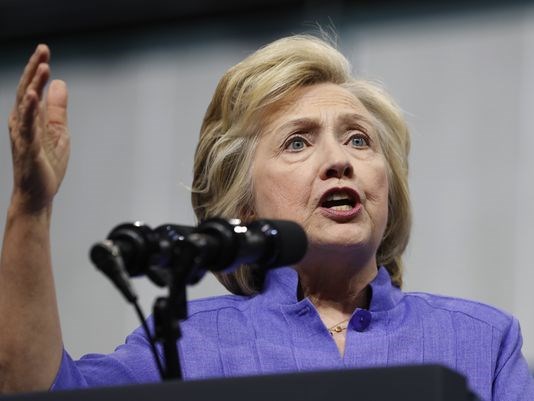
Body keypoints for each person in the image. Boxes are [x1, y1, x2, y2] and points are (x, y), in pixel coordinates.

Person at [0, 35, 533, 401]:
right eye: (298, 142)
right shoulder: (186, 345)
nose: (339, 160)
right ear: (244, 206)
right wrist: (31, 206)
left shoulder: (483, 341)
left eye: (358, 139)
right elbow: (33, 390)